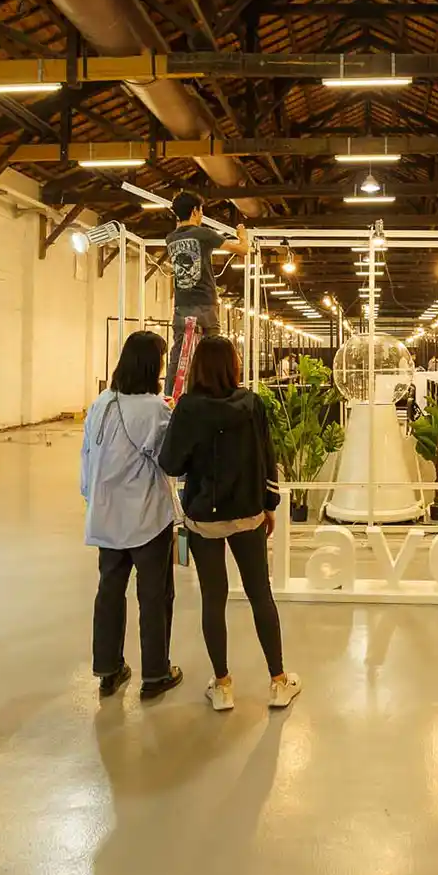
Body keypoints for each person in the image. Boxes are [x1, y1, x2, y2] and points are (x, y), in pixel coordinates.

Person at [159, 336, 300, 712]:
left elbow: (170, 463)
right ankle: (278, 680)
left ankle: (222, 685)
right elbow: (267, 457)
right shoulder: (252, 404)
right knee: (260, 595)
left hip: (205, 518)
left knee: (213, 598)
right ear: (234, 366)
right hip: (248, 513)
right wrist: (269, 504)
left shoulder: (187, 408)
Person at [82, 331, 181, 700]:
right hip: (145, 517)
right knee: (154, 595)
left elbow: (86, 457)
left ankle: (108, 668)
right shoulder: (154, 409)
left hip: (105, 516)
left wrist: (90, 498)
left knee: (109, 591)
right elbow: (167, 457)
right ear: (151, 365)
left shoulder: (100, 403)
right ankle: (155, 673)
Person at [164, 191, 247, 393]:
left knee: (177, 353)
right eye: (201, 211)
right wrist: (242, 235)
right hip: (205, 303)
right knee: (213, 348)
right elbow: (243, 250)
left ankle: (168, 394)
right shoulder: (203, 234)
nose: (202, 215)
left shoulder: (170, 239)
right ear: (195, 211)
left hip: (181, 305)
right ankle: (217, 391)